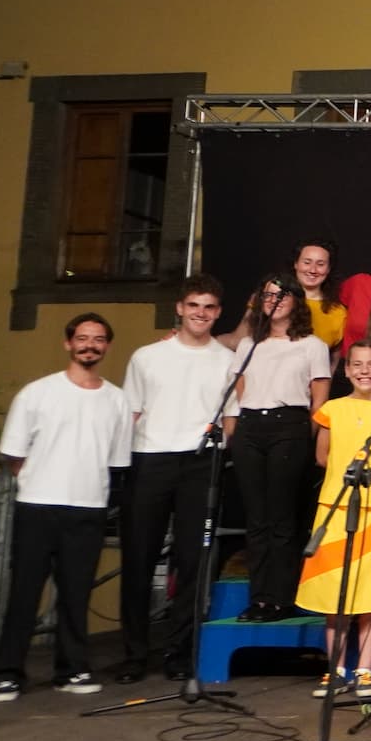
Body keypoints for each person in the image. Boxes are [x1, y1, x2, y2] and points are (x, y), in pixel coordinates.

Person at [0, 314, 133, 702]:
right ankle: (6, 673)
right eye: (82, 338)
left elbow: (116, 461)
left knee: (76, 594)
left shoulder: (117, 400)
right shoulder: (37, 393)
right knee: (24, 592)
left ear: (107, 346)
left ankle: (72, 669)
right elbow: (14, 455)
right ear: (68, 343)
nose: (90, 345)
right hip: (37, 506)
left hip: (89, 507)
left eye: (98, 339)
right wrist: (40, 481)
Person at [115, 275, 235, 685]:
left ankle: (179, 652)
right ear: (180, 308)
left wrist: (220, 453)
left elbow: (231, 417)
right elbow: (131, 413)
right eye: (194, 305)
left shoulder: (227, 360)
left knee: (192, 562)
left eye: (209, 307)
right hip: (149, 459)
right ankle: (134, 654)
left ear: (218, 313)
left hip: (201, 463)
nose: (201, 313)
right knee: (138, 558)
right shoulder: (147, 356)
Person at [295, 339, 371, 701]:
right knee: (336, 591)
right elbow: (322, 456)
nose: (364, 371)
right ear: (346, 370)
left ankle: (365, 668)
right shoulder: (332, 409)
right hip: (337, 507)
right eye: (357, 364)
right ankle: (335, 668)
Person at [228, 274, 331, 623]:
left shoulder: (312, 345)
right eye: (269, 295)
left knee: (282, 516)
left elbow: (319, 400)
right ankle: (259, 597)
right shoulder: (249, 345)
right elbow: (239, 392)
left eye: (283, 294)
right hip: (251, 425)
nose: (276, 300)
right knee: (256, 518)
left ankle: (282, 598)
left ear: (297, 301)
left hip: (290, 425)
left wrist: (305, 434)